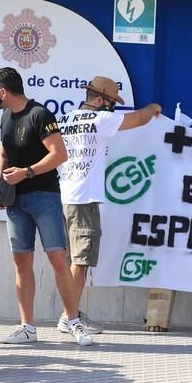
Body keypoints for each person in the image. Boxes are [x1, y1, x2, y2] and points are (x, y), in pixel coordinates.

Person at [0, 67, 92, 346]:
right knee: (21, 261)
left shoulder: (40, 115)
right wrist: (0, 186)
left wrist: (28, 172)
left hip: (44, 196)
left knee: (58, 258)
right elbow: (4, 153)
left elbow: (59, 154)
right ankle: (27, 327)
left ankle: (73, 322)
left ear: (3, 92)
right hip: (15, 200)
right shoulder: (5, 116)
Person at [56, 76, 161, 334]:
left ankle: (72, 315)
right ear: (100, 99)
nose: (112, 108)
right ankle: (69, 319)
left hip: (62, 196)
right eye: (111, 102)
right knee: (80, 262)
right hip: (84, 199)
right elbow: (138, 119)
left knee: (70, 261)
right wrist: (153, 108)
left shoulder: (66, 118)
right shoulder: (100, 120)